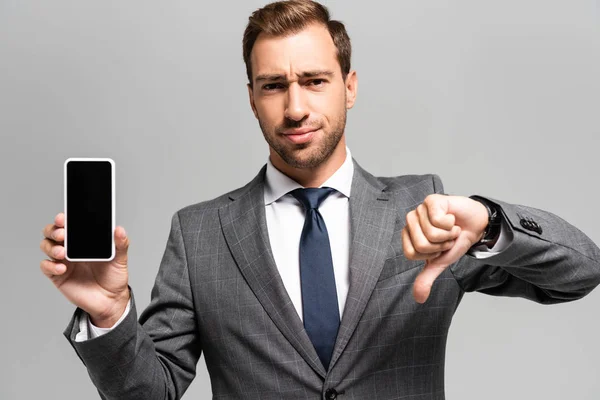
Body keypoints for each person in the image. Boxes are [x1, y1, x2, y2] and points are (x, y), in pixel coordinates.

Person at [39, 1, 600, 399]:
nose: (296, 108)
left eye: (314, 80)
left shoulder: (428, 210)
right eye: (274, 85)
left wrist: (485, 222)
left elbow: (581, 272)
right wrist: (110, 316)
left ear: (349, 86)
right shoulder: (200, 235)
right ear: (253, 97)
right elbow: (151, 394)